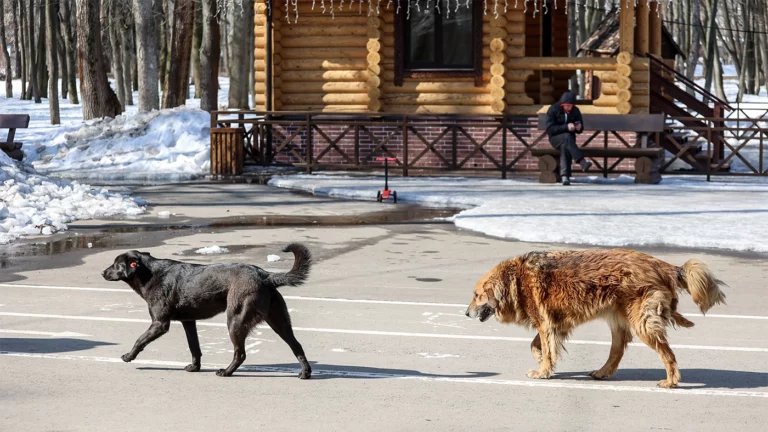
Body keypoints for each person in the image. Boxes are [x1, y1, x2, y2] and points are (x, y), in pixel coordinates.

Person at [544, 92, 592, 185]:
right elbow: (550, 129)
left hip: (569, 141)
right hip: (555, 139)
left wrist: (579, 127)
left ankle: (565, 176)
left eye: (570, 106)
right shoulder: (553, 109)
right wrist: (566, 127)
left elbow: (580, 127)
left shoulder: (575, 110)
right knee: (566, 137)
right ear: (562, 105)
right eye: (567, 106)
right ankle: (581, 161)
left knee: (565, 145)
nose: (569, 108)